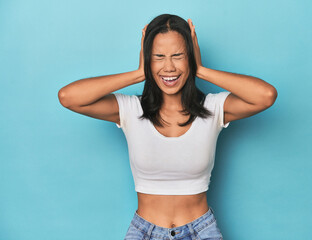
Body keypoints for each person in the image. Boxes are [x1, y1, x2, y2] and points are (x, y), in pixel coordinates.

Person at [58, 13, 277, 240]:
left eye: (178, 56)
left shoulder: (213, 108)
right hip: (144, 232)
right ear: (147, 59)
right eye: (159, 57)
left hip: (201, 232)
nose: (169, 67)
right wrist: (137, 75)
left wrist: (200, 69)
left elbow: (265, 95)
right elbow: (68, 97)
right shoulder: (131, 111)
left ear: (190, 56)